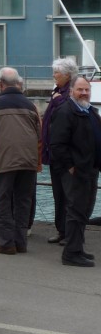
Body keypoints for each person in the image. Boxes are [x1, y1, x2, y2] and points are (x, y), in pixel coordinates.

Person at [0, 67, 42, 255]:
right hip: (28, 161)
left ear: (0, 84)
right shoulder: (30, 105)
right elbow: (38, 134)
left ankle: (7, 243)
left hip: (5, 161)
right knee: (23, 202)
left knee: (2, 202)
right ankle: (21, 243)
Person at [49, 74, 101, 268]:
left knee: (84, 211)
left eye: (87, 89)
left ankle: (77, 248)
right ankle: (70, 253)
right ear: (71, 91)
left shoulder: (89, 111)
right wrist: (71, 166)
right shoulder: (66, 112)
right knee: (76, 210)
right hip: (76, 171)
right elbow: (57, 144)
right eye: (80, 89)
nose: (84, 93)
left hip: (90, 169)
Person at [41, 57, 78, 243]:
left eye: (57, 72)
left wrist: (56, 102)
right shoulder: (56, 92)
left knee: (69, 196)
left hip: (65, 155)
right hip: (55, 154)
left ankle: (69, 233)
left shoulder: (69, 94)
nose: (54, 75)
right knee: (58, 195)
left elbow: (67, 115)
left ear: (67, 75)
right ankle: (61, 230)